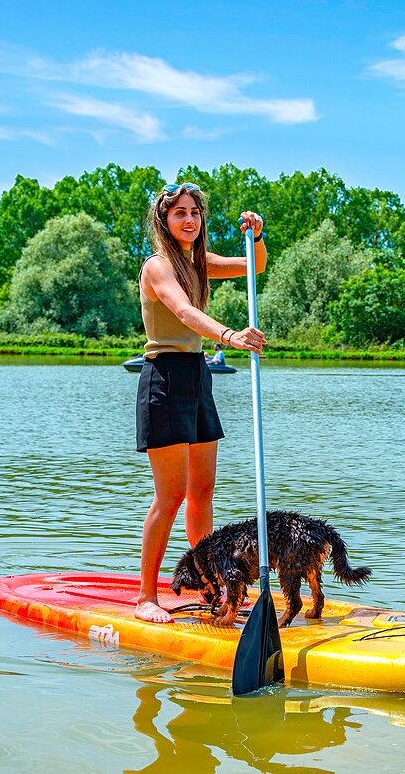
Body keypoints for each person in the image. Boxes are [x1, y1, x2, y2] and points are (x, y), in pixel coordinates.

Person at [134, 182, 267, 624]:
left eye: (194, 212)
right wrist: (231, 336)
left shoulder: (199, 262)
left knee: (202, 493)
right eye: (179, 214)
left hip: (197, 375)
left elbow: (255, 268)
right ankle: (146, 598)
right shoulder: (158, 267)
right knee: (169, 497)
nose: (189, 220)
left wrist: (258, 234)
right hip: (165, 378)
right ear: (164, 220)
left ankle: (210, 582)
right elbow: (185, 313)